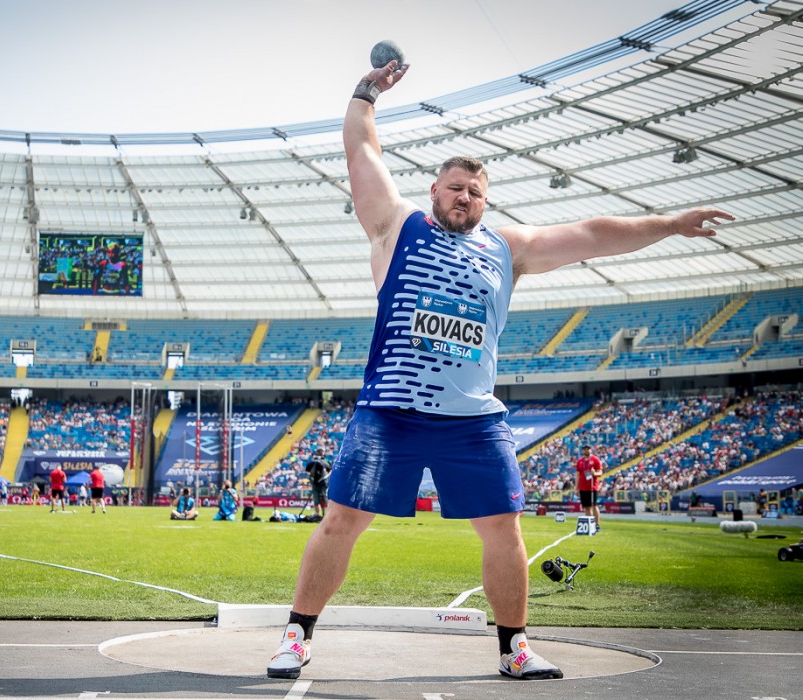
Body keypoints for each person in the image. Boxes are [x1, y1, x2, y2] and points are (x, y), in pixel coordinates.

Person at [265, 57, 735, 682]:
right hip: (391, 412)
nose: (465, 196)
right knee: (341, 522)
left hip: (472, 419)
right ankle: (296, 636)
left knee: (505, 531)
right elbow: (362, 153)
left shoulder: (507, 249)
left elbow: (594, 235)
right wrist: (365, 94)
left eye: (476, 191)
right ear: (434, 190)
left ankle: (514, 648)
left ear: (485, 201)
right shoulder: (395, 227)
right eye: (455, 187)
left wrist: (670, 224)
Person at [575, 445, 604, 532]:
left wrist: (594, 473)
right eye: (584, 449)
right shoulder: (580, 461)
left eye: (588, 449)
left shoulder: (595, 460)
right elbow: (577, 475)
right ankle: (590, 524)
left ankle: (597, 524)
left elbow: (600, 472)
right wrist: (576, 487)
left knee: (594, 505)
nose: (586, 451)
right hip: (583, 487)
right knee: (586, 507)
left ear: (590, 450)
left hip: (592, 487)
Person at [305, 450, 331, 519]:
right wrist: (326, 477)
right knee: (324, 499)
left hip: (317, 483)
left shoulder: (312, 462)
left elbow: (307, 471)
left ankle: (318, 514)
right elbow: (330, 470)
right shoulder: (325, 462)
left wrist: (312, 477)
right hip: (323, 483)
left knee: (318, 499)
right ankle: (323, 514)